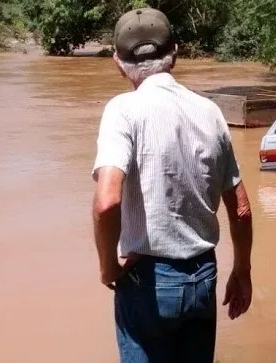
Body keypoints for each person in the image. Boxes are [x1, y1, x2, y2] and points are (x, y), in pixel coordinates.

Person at [91, 7, 253, 363]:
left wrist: (108, 269)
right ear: (175, 54)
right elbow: (240, 208)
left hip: (148, 281)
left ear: (118, 62)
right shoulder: (209, 111)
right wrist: (242, 271)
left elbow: (106, 203)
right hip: (204, 276)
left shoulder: (123, 110)